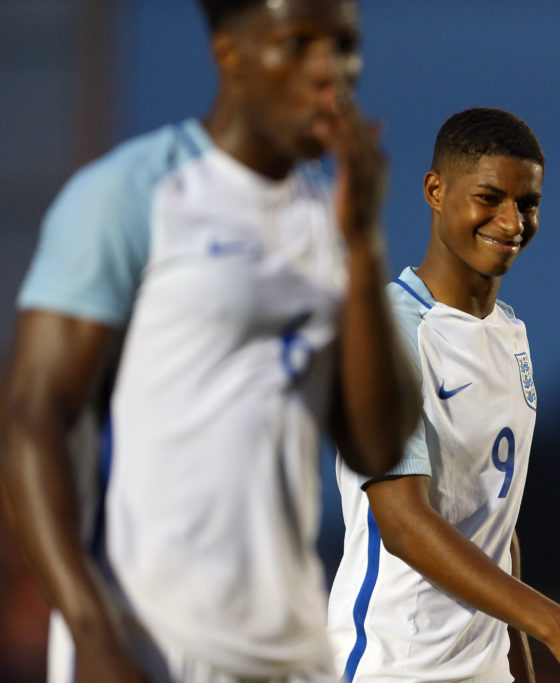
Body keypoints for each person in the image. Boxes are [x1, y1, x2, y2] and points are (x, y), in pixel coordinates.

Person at [0, 1, 420, 681]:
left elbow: (377, 444)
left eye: (346, 46)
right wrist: (92, 632)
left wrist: (364, 243)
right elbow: (33, 417)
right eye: (299, 42)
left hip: (293, 653)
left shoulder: (329, 222)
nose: (330, 71)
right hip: (147, 644)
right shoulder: (132, 193)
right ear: (230, 53)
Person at [326, 108, 560, 683]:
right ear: (435, 191)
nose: (512, 221)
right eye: (490, 198)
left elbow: (495, 523)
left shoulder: (511, 334)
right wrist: (557, 627)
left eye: (529, 203)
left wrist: (519, 668)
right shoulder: (385, 331)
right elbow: (402, 522)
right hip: (393, 669)